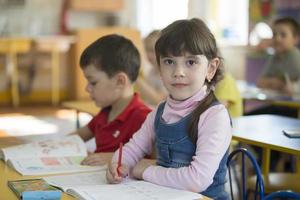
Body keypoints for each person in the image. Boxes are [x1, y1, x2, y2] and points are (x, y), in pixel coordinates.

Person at [106, 18, 232, 200]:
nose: (178, 72)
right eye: (169, 62)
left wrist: (146, 171)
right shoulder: (160, 111)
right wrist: (119, 164)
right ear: (159, 67)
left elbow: (197, 180)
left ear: (211, 69)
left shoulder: (214, 116)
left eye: (190, 62)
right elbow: (133, 148)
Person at [70, 34, 151, 166]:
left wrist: (118, 157)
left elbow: (159, 163)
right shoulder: (106, 112)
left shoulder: (143, 118)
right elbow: (74, 138)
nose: (87, 88)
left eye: (93, 82)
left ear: (120, 81)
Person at [257, 17, 300, 95]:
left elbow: (290, 89)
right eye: (274, 34)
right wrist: (279, 83)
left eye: (283, 35)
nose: (277, 39)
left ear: (296, 38)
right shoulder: (275, 56)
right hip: (279, 102)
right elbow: (260, 83)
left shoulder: (296, 57)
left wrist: (289, 86)